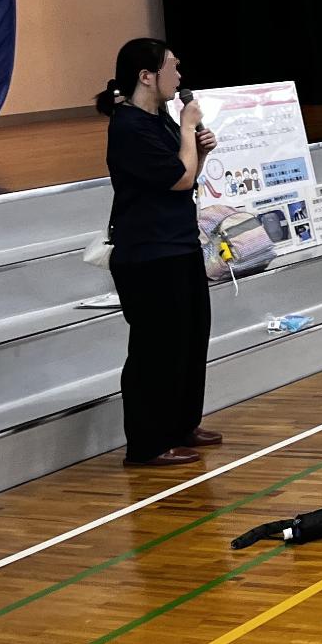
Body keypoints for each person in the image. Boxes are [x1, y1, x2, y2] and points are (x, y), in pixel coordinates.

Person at [96, 38, 220, 468]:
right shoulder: (128, 126)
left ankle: (182, 423)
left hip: (179, 243)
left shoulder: (160, 120)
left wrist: (198, 150)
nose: (179, 76)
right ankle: (147, 443)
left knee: (190, 337)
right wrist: (188, 129)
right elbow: (178, 181)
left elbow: (187, 175)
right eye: (173, 67)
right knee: (155, 350)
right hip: (147, 254)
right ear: (147, 76)